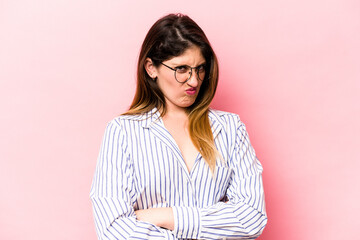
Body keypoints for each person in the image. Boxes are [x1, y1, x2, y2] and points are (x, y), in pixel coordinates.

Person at [90, 13, 267, 240]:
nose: (194, 81)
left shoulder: (231, 128)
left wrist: (168, 216)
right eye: (181, 69)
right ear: (151, 68)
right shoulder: (122, 132)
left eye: (200, 68)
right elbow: (113, 228)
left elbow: (251, 217)